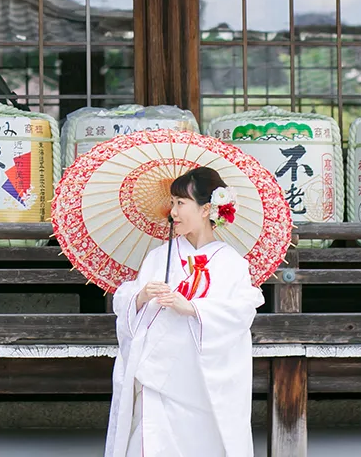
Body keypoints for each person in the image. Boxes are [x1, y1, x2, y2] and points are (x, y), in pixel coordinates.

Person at [104, 167, 264, 457]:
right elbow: (127, 304)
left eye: (180, 203)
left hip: (202, 379)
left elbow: (240, 313)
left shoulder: (231, 263)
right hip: (157, 371)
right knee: (152, 442)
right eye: (173, 203)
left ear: (206, 209)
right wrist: (140, 297)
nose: (173, 211)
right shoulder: (158, 257)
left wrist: (191, 308)